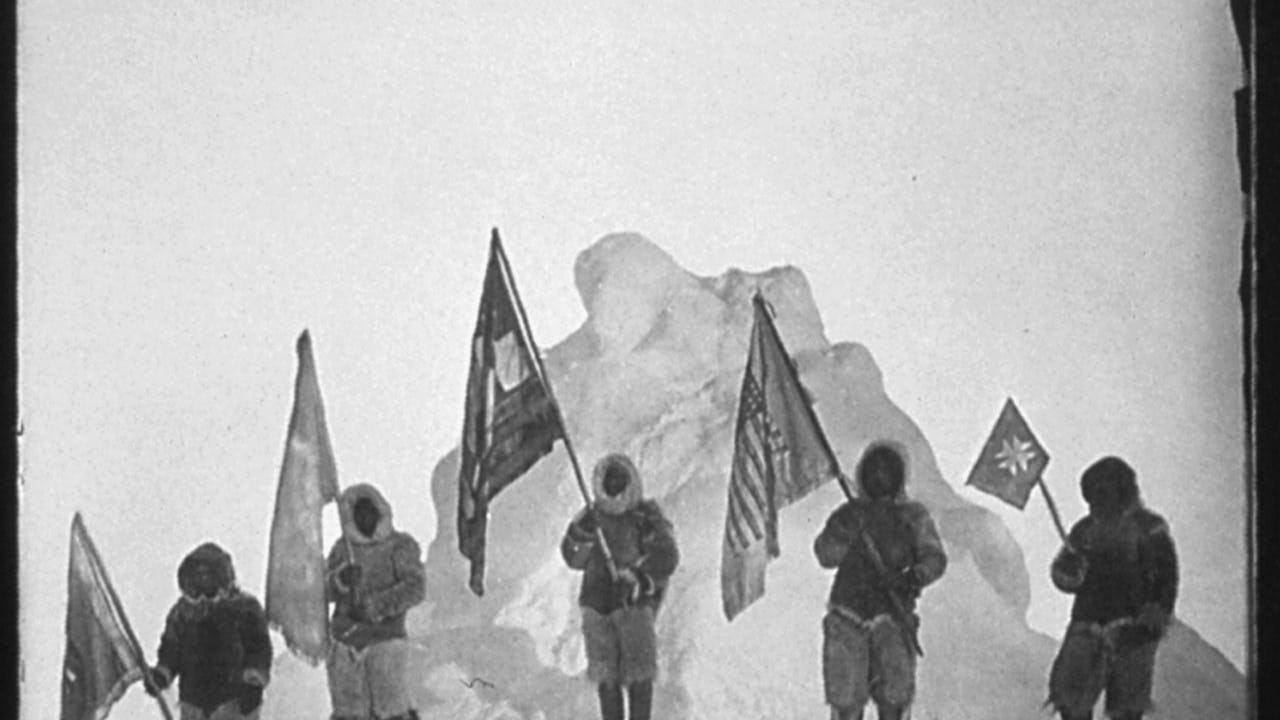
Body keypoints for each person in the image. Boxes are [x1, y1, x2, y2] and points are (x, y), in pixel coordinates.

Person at [813, 441, 948, 720]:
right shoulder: (850, 513)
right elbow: (826, 554)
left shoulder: (913, 516)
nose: (880, 477)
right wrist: (845, 529)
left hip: (893, 616)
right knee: (847, 701)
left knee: (893, 700)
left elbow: (934, 558)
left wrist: (909, 579)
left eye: (886, 471)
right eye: (874, 471)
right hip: (848, 614)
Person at [1047, 456, 1179, 720]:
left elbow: (1166, 579)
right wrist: (1070, 568)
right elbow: (1064, 576)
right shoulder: (1084, 530)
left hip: (1132, 629)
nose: (1095, 502)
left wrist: (1150, 621)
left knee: (1126, 707)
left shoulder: (1149, 529)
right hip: (1086, 624)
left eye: (1101, 493)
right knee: (1070, 700)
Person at [560, 453, 680, 720]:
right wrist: (582, 534)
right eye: (609, 480)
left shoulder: (645, 515)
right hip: (597, 606)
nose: (614, 486)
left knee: (639, 674)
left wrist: (637, 577)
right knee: (607, 678)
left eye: (619, 480)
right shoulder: (591, 516)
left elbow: (666, 555)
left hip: (633, 606)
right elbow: (572, 557)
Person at [325, 483, 427, 720]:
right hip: (346, 643)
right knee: (349, 712)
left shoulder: (400, 547)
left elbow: (415, 587)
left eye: (369, 512)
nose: (364, 519)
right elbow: (324, 591)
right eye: (358, 514)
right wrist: (340, 579)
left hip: (386, 641)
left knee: (392, 709)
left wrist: (375, 607)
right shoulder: (343, 550)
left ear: (380, 511)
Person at [146, 542, 273, 720]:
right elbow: (170, 650)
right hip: (194, 705)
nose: (202, 598)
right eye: (194, 588)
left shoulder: (245, 609)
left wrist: (253, 682)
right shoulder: (182, 614)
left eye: (209, 587)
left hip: (233, 702)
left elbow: (259, 649)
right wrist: (161, 675)